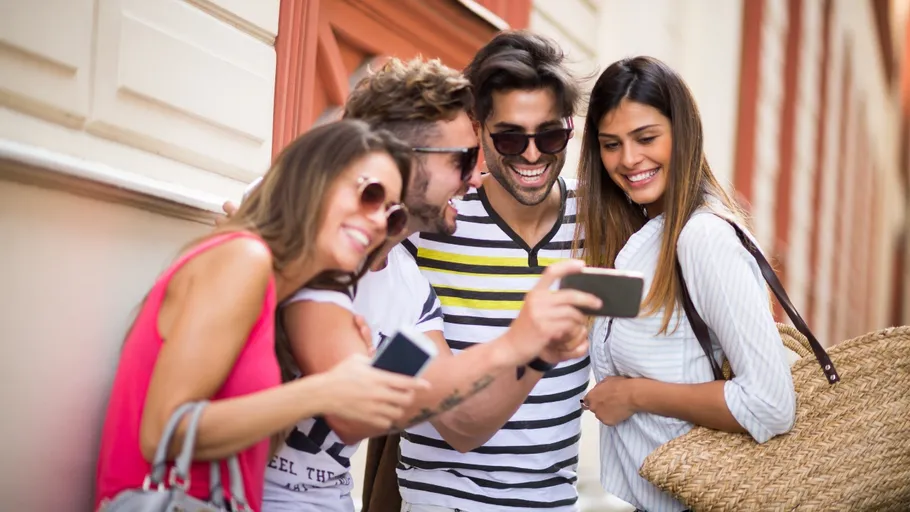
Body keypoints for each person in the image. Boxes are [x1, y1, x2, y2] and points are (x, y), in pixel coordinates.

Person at [257, 58, 600, 512]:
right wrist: (517, 340)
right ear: (399, 161)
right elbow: (350, 414)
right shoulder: (305, 239)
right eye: (462, 160)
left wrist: (534, 350)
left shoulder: (407, 285)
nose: (475, 177)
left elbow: (456, 417)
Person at [94, 120, 429, 512]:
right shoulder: (244, 258)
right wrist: (323, 390)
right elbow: (161, 433)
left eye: (393, 216)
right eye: (369, 194)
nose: (377, 222)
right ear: (312, 181)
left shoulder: (272, 293)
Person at [575, 56, 796, 512]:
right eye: (611, 144)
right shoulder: (643, 236)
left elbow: (770, 404)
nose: (629, 159)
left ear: (684, 132)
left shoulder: (702, 237)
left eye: (646, 138)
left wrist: (631, 394)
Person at [400, 31, 591, 512]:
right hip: (442, 498)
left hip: (555, 500)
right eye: (509, 137)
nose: (531, 154)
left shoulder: (600, 222)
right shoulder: (431, 222)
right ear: (478, 129)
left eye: (550, 134)